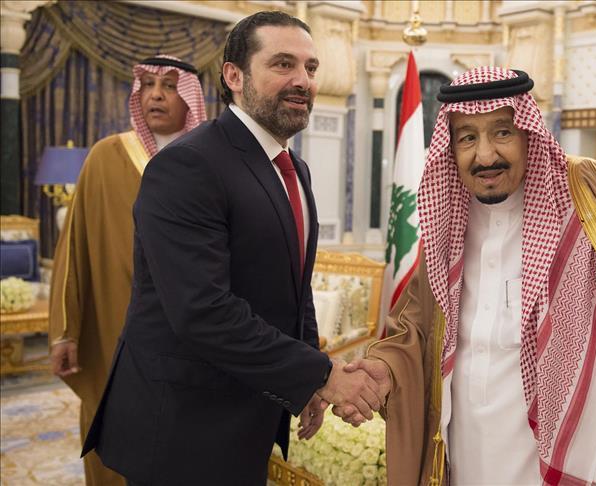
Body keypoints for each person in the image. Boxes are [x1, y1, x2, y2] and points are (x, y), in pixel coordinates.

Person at [334, 67, 596, 485]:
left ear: (528, 134)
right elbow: (416, 331)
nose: (485, 155)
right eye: (467, 138)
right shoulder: (448, 224)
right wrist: (385, 370)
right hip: (465, 460)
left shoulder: (577, 206)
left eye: (502, 132)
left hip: (556, 462)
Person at [80, 12, 383, 485]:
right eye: (283, 64)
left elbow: (292, 288)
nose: (302, 80)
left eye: (310, 67)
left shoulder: (292, 168)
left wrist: (305, 383)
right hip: (183, 429)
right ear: (234, 76)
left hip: (248, 413)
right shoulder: (188, 165)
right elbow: (202, 310)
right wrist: (321, 374)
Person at [48, 54, 207, 486]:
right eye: (148, 85)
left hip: (193, 331)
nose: (156, 95)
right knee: (115, 432)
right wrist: (65, 330)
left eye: (169, 85)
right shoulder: (106, 157)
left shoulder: (208, 162)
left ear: (191, 97)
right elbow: (74, 247)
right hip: (113, 325)